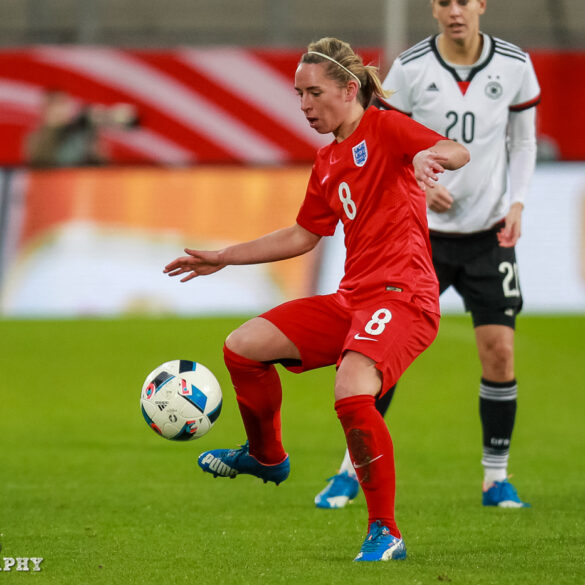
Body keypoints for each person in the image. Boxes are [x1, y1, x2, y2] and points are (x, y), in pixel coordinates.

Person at [164, 36, 468, 562]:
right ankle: (266, 456)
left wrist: (427, 156)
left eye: (313, 93)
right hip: (354, 297)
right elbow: (304, 235)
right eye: (298, 94)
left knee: (351, 388)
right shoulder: (328, 160)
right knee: (243, 346)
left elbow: (456, 150)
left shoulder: (387, 127)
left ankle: (386, 531)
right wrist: (226, 256)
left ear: (350, 89)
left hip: (404, 298)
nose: (304, 106)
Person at [315, 0, 540, 510]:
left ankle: (495, 478)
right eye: (444, 1)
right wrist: (413, 181)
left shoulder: (514, 64)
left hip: (488, 235)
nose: (454, 11)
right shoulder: (412, 67)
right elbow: (380, 142)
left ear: (482, 4)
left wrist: (519, 202)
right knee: (377, 356)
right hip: (417, 239)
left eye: (464, 0)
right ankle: (351, 470)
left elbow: (522, 142)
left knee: (500, 352)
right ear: (433, 9)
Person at [25, 89, 138, 168]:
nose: (59, 110)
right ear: (44, 110)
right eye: (53, 105)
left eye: (62, 104)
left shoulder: (80, 128)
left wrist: (111, 117)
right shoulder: (37, 138)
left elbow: (101, 159)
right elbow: (41, 163)